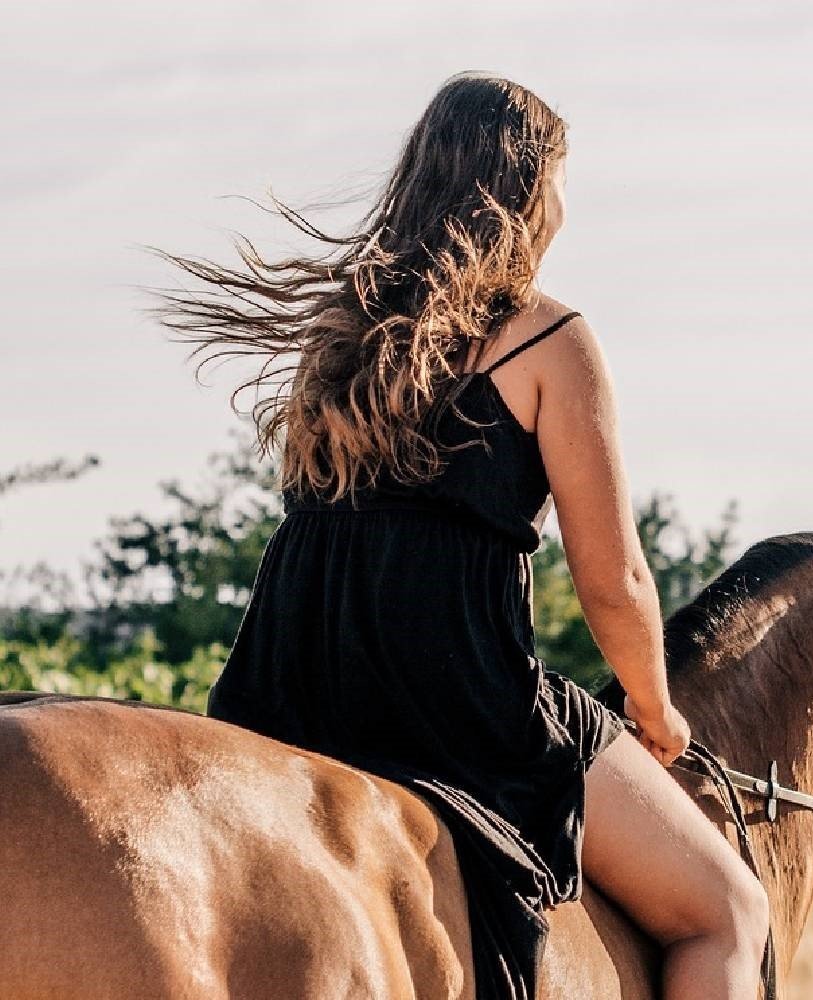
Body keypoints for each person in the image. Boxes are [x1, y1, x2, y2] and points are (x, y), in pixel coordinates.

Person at [146, 71, 770, 999]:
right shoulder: (545, 337)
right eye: (559, 179)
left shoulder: (341, 331)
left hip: (295, 686)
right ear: (526, 186)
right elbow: (614, 583)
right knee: (728, 911)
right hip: (458, 702)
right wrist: (654, 704)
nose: (564, 205)